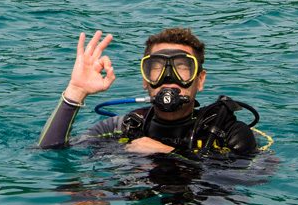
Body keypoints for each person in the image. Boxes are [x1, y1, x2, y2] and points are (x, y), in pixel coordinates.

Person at [38, 28, 258, 157]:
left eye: (182, 68)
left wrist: (168, 154)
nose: (169, 79)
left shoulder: (227, 134)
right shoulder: (124, 127)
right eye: (157, 69)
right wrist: (76, 92)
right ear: (146, 80)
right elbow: (50, 152)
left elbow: (246, 182)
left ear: (199, 80)